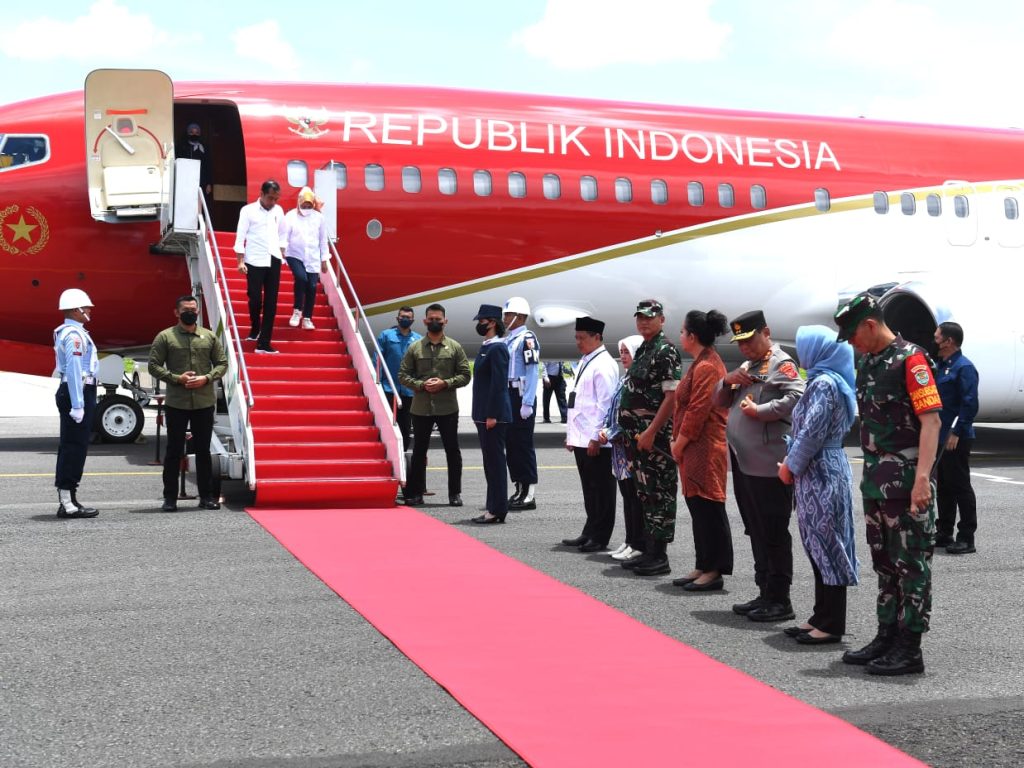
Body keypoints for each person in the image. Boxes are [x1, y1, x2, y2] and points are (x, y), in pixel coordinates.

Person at [835, 292, 941, 676]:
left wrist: (923, 479)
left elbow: (931, 422)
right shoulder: (868, 362)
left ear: (869, 324)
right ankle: (886, 635)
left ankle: (910, 648)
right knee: (885, 564)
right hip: (877, 484)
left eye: (852, 335)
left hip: (908, 483)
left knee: (911, 566)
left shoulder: (911, 360)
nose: (850, 343)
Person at [713, 310, 804, 622]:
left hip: (769, 465)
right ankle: (764, 590)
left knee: (773, 530)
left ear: (766, 332)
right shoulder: (748, 365)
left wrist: (760, 411)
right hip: (744, 463)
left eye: (749, 340)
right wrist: (727, 380)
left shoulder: (782, 363)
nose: (745, 348)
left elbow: (797, 398)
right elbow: (720, 401)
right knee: (756, 529)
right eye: (740, 343)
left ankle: (780, 598)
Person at [777, 326, 859, 644]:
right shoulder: (822, 380)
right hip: (816, 471)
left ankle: (831, 623)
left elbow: (812, 433)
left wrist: (790, 466)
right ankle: (819, 615)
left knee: (829, 544)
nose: (801, 354)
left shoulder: (825, 384)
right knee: (817, 545)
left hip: (822, 471)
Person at [670, 310, 733, 592]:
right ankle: (703, 562)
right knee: (698, 506)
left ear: (692, 336)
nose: (681, 336)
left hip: (704, 447)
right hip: (694, 449)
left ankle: (714, 569)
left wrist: (679, 444)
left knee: (709, 507)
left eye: (683, 332)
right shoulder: (701, 362)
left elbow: (697, 412)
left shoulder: (707, 366)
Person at [618, 299, 681, 577]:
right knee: (645, 493)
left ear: (662, 320)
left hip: (653, 438)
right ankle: (648, 550)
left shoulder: (665, 350)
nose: (644, 322)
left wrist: (652, 431)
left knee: (660, 493)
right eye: (640, 318)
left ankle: (659, 556)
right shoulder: (644, 348)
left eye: (649, 317)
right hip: (637, 437)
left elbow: (671, 396)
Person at [148, 295, 229, 511]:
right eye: (186, 309)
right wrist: (177, 378)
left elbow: (222, 363)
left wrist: (207, 378)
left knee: (203, 451)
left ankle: (206, 497)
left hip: (203, 402)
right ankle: (170, 499)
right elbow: (153, 366)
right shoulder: (166, 337)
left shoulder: (209, 337)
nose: (191, 312)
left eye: (194, 309)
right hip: (177, 403)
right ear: (176, 312)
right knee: (174, 451)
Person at [398, 303, 471, 507]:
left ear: (445, 321)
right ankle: (415, 493)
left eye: (438, 319)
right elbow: (403, 375)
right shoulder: (415, 347)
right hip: (421, 407)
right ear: (424, 321)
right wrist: (421, 385)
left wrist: (445, 383)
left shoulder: (455, 347)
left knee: (452, 451)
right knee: (420, 451)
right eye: (431, 319)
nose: (434, 322)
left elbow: (466, 375)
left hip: (447, 407)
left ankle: (454, 494)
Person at [559, 317, 620, 552]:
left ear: (597, 337)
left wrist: (597, 436)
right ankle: (589, 530)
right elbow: (579, 403)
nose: (578, 342)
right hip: (582, 438)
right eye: (576, 337)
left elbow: (606, 404)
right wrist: (572, 436)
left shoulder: (603, 364)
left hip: (596, 440)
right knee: (589, 489)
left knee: (601, 489)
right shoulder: (587, 360)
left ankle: (601, 536)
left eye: (581, 337)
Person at [53, 288, 100, 518]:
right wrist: (78, 403)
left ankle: (69, 498)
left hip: (77, 390)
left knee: (75, 446)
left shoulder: (73, 332)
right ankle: (67, 502)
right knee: (74, 447)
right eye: (86, 307)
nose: (90, 310)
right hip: (77, 391)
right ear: (76, 310)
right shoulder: (73, 335)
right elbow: (73, 370)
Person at [933, 321, 979, 555]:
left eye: (938, 337)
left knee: (960, 485)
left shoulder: (964, 367)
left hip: (955, 436)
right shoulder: (942, 366)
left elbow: (970, 404)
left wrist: (957, 432)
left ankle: (966, 536)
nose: (935, 341)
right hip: (940, 435)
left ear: (949, 341)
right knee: (943, 486)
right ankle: (944, 531)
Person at [600, 335, 646, 562]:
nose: (623, 356)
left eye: (627, 352)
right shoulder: (625, 378)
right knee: (627, 496)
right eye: (622, 352)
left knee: (635, 498)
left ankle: (638, 542)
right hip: (620, 450)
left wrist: (608, 433)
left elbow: (629, 416)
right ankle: (630, 540)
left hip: (629, 448)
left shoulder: (637, 381)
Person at [234, 179, 287, 354]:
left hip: (273, 258)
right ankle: (255, 326)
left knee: (271, 302)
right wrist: (240, 261)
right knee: (255, 298)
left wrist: (282, 252)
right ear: (262, 194)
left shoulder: (278, 211)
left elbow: (282, 233)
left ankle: (264, 343)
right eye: (270, 198)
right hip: (254, 259)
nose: (273, 202)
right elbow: (240, 236)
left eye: (276, 199)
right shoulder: (248, 211)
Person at [471, 304, 513, 524]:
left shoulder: (497, 348)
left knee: (495, 463)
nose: (479, 324)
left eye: (482, 321)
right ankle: (493, 506)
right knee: (490, 463)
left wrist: (492, 414)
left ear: (492, 323)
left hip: (492, 415)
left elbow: (498, 384)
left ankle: (497, 509)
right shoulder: (487, 345)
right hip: (483, 413)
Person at [503, 296, 541, 510]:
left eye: (508, 314)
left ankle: (529, 493)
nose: (505, 318)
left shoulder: (527, 339)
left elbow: (532, 371)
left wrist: (527, 402)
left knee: (523, 445)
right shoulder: (509, 339)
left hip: (520, 395)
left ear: (520, 317)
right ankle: (518, 488)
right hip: (508, 394)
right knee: (511, 444)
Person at [374, 306, 421, 451]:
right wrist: (377, 384)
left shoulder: (418, 339)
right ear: (397, 318)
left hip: (409, 391)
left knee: (406, 425)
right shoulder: (386, 336)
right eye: (402, 316)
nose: (405, 319)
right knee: (385, 424)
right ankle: (384, 451)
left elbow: (421, 365)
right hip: (389, 388)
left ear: (413, 320)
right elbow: (378, 360)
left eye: (408, 317)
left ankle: (402, 453)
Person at [283, 186, 329, 331]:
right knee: (301, 278)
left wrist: (324, 260)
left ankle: (307, 318)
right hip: (294, 254)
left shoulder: (319, 218)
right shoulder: (290, 216)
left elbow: (323, 240)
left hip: (313, 257)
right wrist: (281, 251)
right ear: (299, 203)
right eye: (304, 205)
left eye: (309, 205)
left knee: (312, 286)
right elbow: (284, 235)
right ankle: (297, 311)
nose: (307, 208)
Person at [180, 122, 213, 202]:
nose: (194, 134)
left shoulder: (203, 147)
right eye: (192, 132)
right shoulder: (183, 146)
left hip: (202, 180)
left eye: (197, 132)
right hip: (187, 180)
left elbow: (208, 165)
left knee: (200, 201)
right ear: (188, 133)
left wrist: (209, 183)